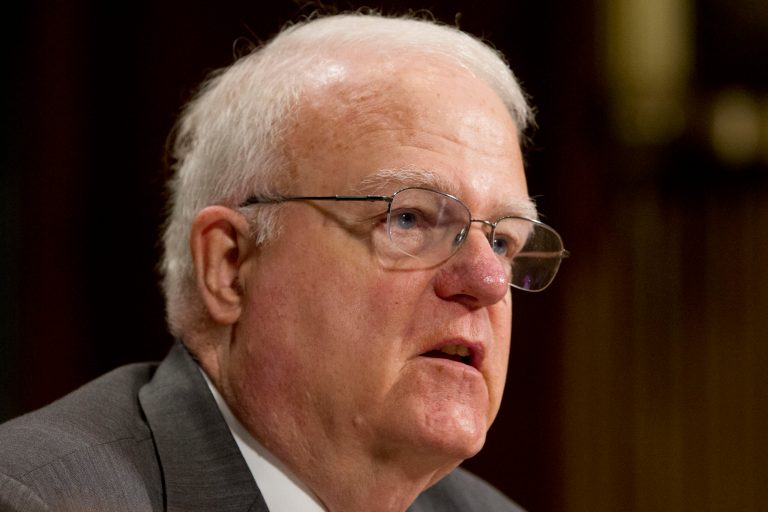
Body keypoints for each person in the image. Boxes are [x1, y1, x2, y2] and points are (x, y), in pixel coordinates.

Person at [0, 12, 568, 512]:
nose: (490, 281)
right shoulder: (38, 498)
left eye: (502, 242)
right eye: (410, 219)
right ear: (230, 264)